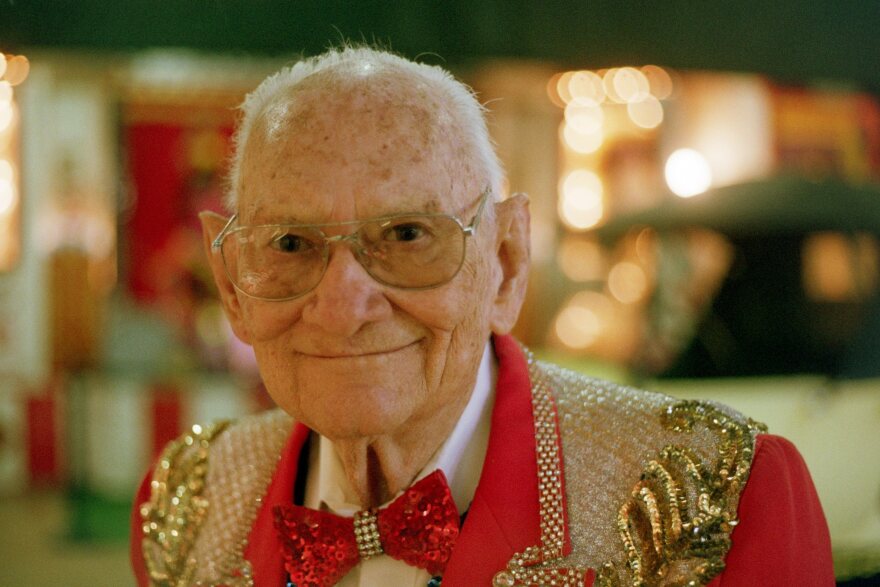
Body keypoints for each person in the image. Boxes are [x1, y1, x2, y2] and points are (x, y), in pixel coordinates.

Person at [131, 46, 834, 587]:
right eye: (289, 243)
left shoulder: (722, 500)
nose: (342, 309)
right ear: (231, 285)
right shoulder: (188, 507)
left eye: (407, 234)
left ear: (506, 260)